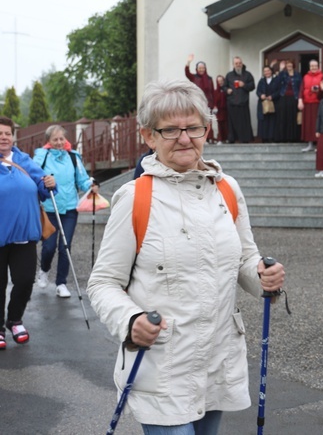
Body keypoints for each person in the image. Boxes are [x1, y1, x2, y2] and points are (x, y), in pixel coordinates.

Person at [87, 80, 285, 433]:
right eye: (171, 130)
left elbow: (244, 258)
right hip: (163, 367)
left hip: (217, 361)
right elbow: (103, 283)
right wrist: (131, 321)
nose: (184, 138)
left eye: (194, 127)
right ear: (149, 136)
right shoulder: (136, 198)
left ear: (206, 129)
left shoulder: (227, 188)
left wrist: (261, 276)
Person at [0, 116, 56, 348]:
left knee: (24, 281)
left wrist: (49, 183)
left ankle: (15, 320)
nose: (3, 137)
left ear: (13, 136)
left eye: (7, 133)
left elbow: (42, 185)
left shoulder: (24, 159)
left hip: (25, 235)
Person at [33, 125, 97, 298]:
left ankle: (61, 283)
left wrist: (90, 185)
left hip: (70, 209)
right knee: (49, 247)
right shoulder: (42, 156)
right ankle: (44, 270)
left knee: (65, 247)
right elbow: (33, 176)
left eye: (62, 139)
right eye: (55, 139)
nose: (59, 142)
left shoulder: (73, 157)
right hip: (49, 208)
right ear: (49, 141)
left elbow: (82, 180)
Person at [223, 56, 256, 143]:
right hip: (232, 103)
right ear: (233, 65)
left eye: (239, 63)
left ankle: (244, 139)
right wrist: (227, 90)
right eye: (236, 63)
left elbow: (252, 86)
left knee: (244, 123)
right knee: (232, 123)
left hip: (243, 103)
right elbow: (224, 87)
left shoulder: (247, 74)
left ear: (242, 63)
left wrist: (243, 85)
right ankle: (232, 139)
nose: (238, 65)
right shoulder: (229, 75)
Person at [185, 54, 216, 143]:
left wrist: (214, 105)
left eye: (203, 68)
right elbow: (187, 73)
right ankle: (200, 138)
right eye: (200, 68)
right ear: (197, 69)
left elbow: (212, 92)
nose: (201, 69)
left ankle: (209, 138)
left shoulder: (209, 79)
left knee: (208, 121)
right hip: (197, 103)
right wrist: (188, 62)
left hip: (207, 103)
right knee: (198, 121)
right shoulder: (194, 77)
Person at [299, 59, 323, 152]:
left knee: (317, 124)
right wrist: (300, 100)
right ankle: (309, 144)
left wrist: (319, 89)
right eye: (312, 66)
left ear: (318, 66)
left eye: (315, 66)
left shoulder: (322, 76)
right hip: (307, 103)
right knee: (308, 124)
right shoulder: (305, 76)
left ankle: (319, 144)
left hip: (317, 103)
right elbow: (301, 89)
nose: (313, 67)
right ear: (309, 67)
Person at [276, 60, 301, 143]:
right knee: (283, 117)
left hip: (294, 98)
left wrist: (300, 99)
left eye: (290, 65)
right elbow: (277, 82)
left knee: (293, 118)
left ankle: (293, 138)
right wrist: (280, 69)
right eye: (287, 65)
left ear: (293, 65)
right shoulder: (283, 74)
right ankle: (283, 138)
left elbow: (300, 87)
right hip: (283, 98)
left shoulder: (298, 75)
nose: (289, 66)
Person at [256, 66, 281, 143]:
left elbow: (279, 91)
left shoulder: (276, 80)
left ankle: (272, 137)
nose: (267, 72)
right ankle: (264, 138)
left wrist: (272, 96)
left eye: (268, 70)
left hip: (274, 103)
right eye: (265, 71)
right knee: (264, 121)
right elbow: (258, 91)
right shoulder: (261, 81)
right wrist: (261, 95)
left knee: (272, 121)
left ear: (271, 71)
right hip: (263, 104)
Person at [214, 75, 229, 144]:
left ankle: (227, 138)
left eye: (221, 81)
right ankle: (220, 139)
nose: (220, 82)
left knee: (226, 125)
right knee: (219, 125)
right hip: (219, 111)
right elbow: (214, 101)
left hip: (226, 110)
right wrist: (215, 107)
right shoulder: (216, 91)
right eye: (218, 81)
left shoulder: (227, 89)